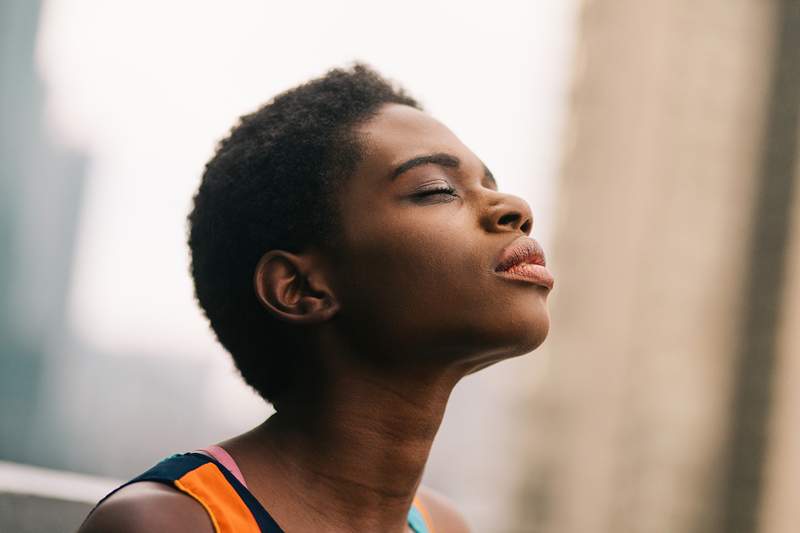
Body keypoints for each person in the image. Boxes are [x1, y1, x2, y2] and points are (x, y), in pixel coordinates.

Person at [78, 62, 554, 533]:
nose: (515, 208)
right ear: (300, 288)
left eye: (489, 184)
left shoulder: (445, 526)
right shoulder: (171, 523)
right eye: (436, 190)